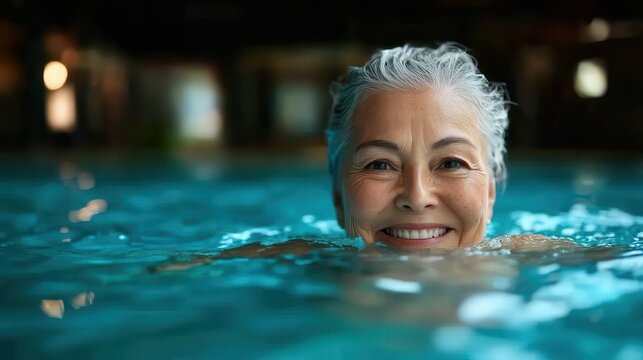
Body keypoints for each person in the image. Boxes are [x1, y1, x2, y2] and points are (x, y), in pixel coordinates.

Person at [150, 43, 575, 273]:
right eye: (379, 164)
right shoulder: (306, 260)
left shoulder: (536, 258)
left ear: (489, 191)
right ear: (338, 195)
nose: (417, 196)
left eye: (451, 162)